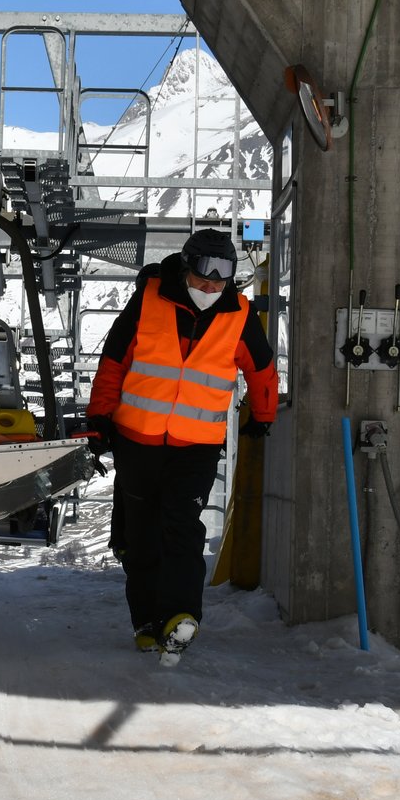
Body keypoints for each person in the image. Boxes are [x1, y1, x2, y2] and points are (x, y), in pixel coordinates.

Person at [85, 227, 277, 658]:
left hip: (196, 446)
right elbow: (114, 361)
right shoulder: (149, 299)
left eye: (223, 274)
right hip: (137, 440)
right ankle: (147, 622)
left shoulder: (239, 314)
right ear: (187, 267)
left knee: (182, 531)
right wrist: (98, 418)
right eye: (204, 273)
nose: (212, 284)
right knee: (139, 535)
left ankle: (180, 617)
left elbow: (262, 370)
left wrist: (262, 416)